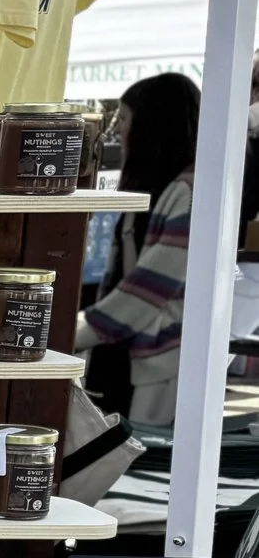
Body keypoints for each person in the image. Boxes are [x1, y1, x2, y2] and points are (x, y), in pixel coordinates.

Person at [78, 72, 199, 424]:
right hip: (130, 355)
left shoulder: (188, 194)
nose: (119, 131)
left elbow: (150, 288)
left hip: (156, 361)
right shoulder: (161, 187)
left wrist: (80, 332)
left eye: (126, 119)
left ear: (151, 125)